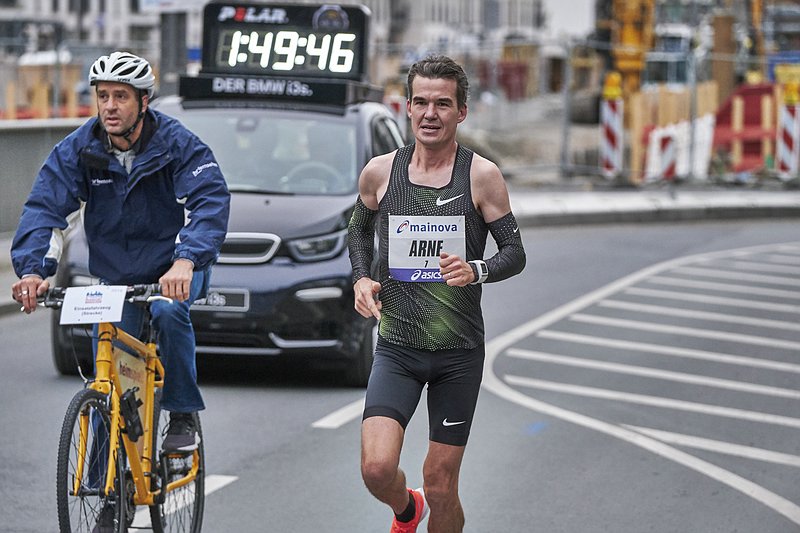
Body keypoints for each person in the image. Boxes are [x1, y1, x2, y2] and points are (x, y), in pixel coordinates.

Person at [10, 52, 229, 454]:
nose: (110, 106)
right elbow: (46, 209)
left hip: (178, 269)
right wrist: (32, 272)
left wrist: (185, 261)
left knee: (167, 308)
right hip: (117, 277)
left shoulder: (178, 144)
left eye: (121, 96)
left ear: (144, 101)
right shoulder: (78, 149)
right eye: (104, 95)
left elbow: (209, 202)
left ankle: (181, 414)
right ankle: (106, 491)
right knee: (107, 381)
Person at [348, 55, 526, 532]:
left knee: (441, 483)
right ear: (407, 107)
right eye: (421, 102)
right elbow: (358, 233)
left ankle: (430, 507)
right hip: (398, 349)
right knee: (376, 469)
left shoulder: (480, 175)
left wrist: (477, 269)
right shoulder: (380, 173)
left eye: (443, 104)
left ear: (461, 112)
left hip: (458, 355)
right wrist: (362, 277)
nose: (431, 114)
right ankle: (408, 512)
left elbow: (514, 252)